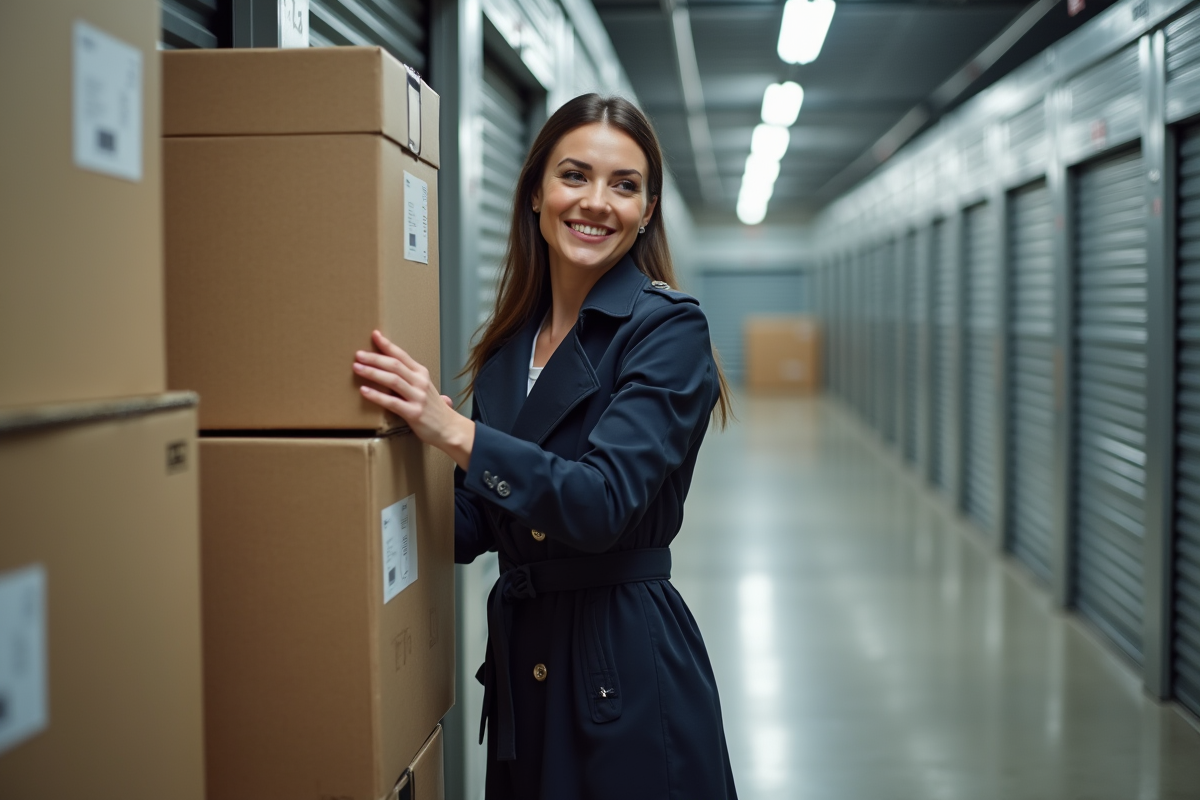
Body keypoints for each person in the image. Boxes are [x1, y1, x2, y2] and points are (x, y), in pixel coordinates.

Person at [352, 93, 738, 799]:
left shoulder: (666, 330)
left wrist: (458, 435)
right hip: (526, 661)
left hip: (618, 662)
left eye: (625, 186)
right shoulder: (509, 348)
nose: (597, 202)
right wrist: (382, 458)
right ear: (536, 192)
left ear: (647, 211)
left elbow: (599, 504)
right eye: (574, 175)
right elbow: (475, 525)